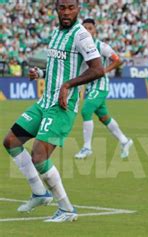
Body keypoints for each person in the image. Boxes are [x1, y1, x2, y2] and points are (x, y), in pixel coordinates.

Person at [2, 0, 104, 222]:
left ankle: (67, 209)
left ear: (78, 9)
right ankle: (39, 193)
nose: (66, 12)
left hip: (62, 106)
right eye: (62, 8)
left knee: (39, 156)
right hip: (44, 102)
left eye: (71, 8)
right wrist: (41, 73)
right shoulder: (57, 32)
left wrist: (68, 85)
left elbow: (98, 69)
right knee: (11, 141)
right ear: (56, 10)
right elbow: (59, 67)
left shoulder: (81, 35)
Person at [74, 18, 133, 159]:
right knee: (104, 117)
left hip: (100, 86)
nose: (87, 30)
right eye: (85, 28)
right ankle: (125, 141)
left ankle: (87, 147)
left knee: (86, 110)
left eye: (90, 28)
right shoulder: (79, 47)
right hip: (90, 86)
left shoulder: (101, 46)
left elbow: (118, 60)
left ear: (95, 31)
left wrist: (104, 71)